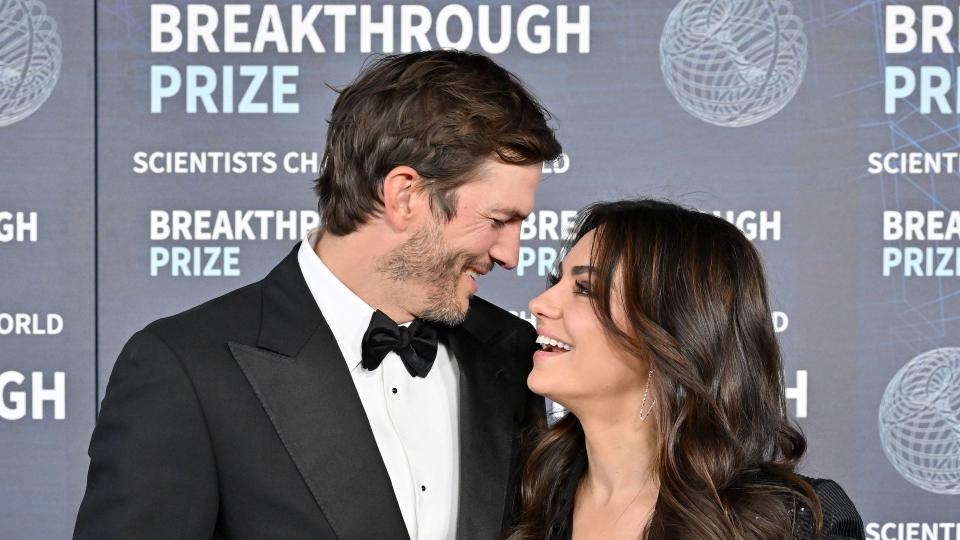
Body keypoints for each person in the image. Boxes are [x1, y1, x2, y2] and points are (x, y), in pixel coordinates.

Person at [74, 50, 561, 540]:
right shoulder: (188, 369)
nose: (511, 255)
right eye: (499, 221)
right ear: (405, 196)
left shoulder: (510, 352)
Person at [508, 200, 864, 540]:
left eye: (584, 288)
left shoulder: (800, 523)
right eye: (556, 281)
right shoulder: (528, 497)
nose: (540, 303)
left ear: (671, 332)